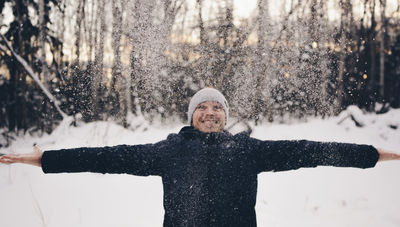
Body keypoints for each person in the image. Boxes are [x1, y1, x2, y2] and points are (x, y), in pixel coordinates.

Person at [1, 87, 400, 227]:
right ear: (191, 115)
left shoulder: (248, 149)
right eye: (202, 108)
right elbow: (106, 156)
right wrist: (43, 159)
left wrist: (374, 154)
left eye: (218, 109)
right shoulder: (168, 151)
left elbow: (311, 152)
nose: (210, 112)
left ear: (226, 117)